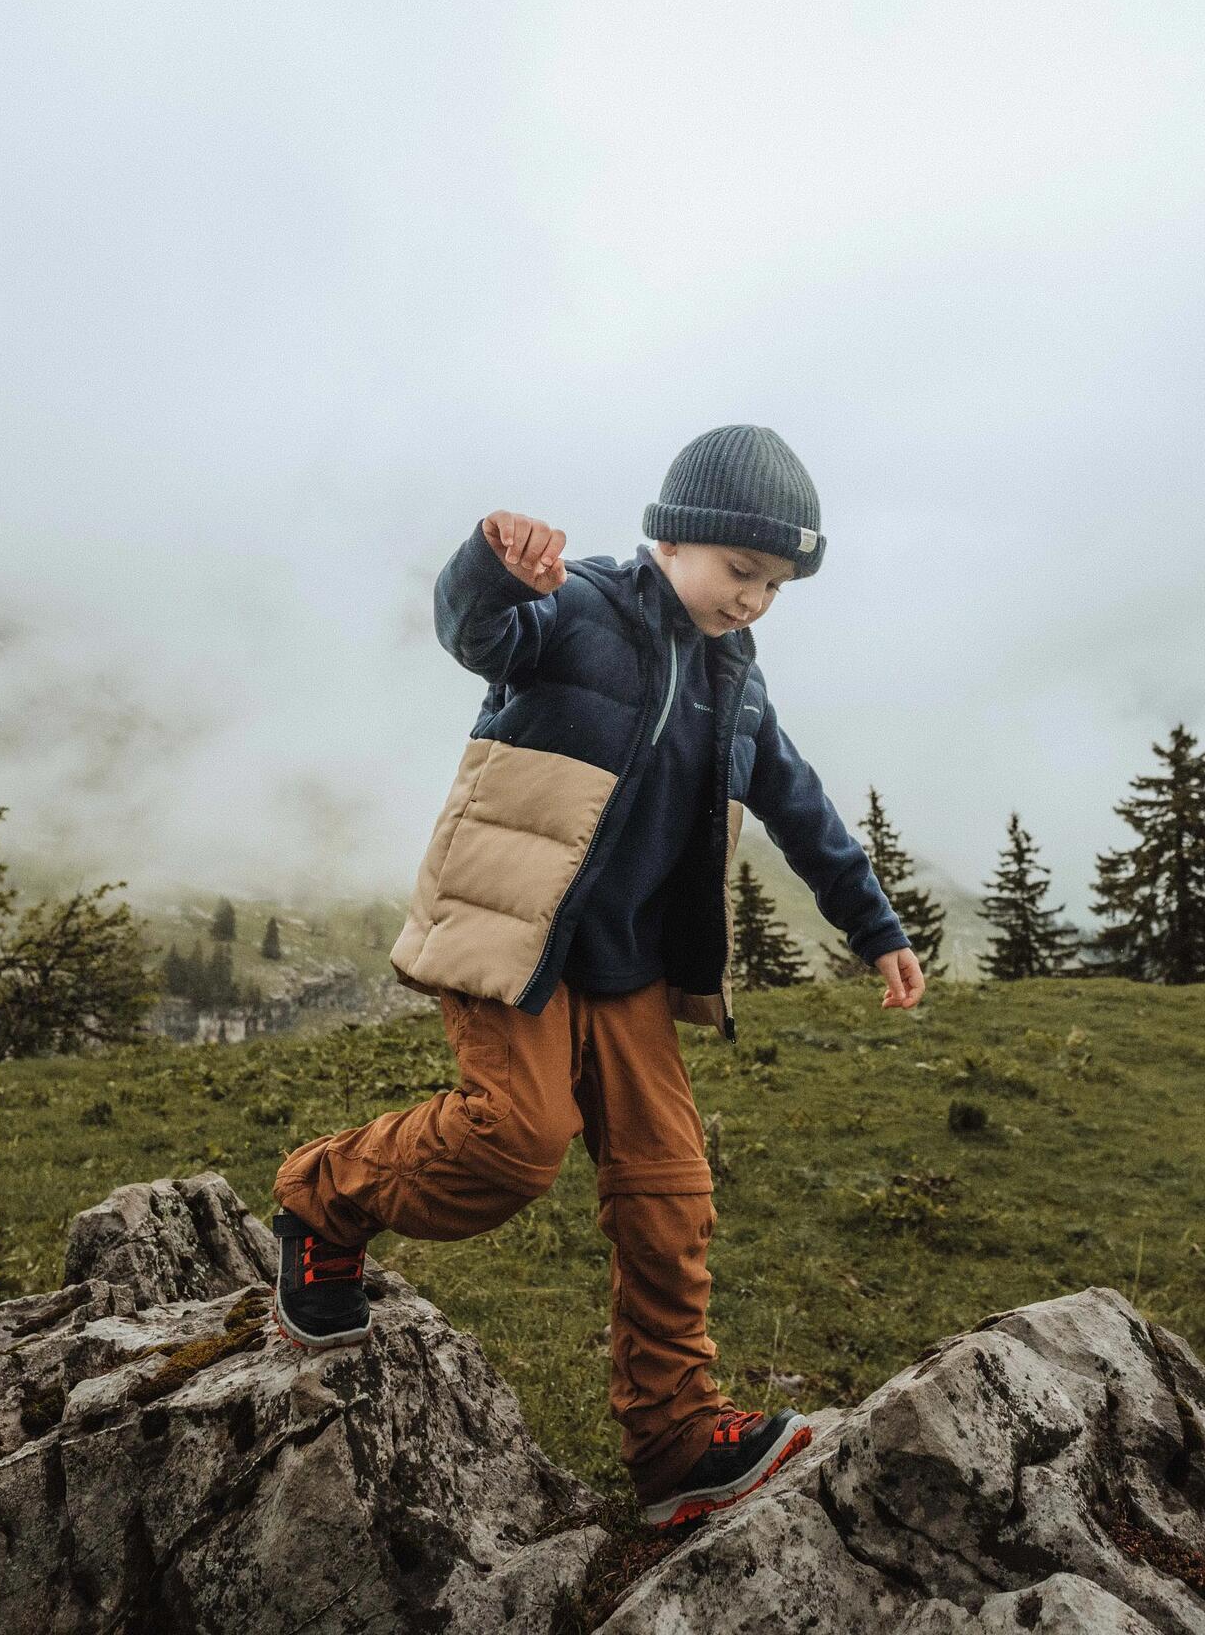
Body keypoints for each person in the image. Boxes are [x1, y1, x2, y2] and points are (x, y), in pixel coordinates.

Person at [270, 423, 926, 1529]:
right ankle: (321, 1200)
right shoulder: (576, 608)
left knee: (671, 1188)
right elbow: (475, 630)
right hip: (515, 939)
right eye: (739, 572)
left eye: (774, 585)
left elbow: (803, 811)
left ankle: (676, 1435)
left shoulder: (737, 685)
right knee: (515, 1140)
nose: (754, 599)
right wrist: (490, 561)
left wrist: (877, 926)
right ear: (674, 540)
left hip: (628, 971)